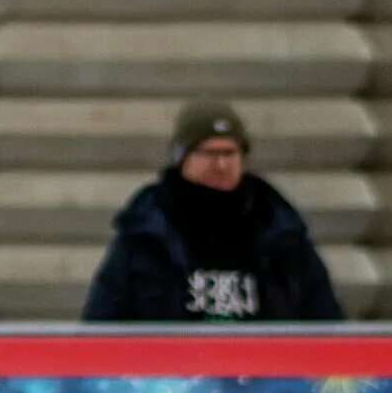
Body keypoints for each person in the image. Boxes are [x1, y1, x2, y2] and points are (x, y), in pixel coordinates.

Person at [82, 102, 342, 323]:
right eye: (209, 153)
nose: (221, 164)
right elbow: (103, 321)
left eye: (230, 153)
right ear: (182, 157)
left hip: (267, 378)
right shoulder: (146, 232)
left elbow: (324, 318)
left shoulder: (280, 230)